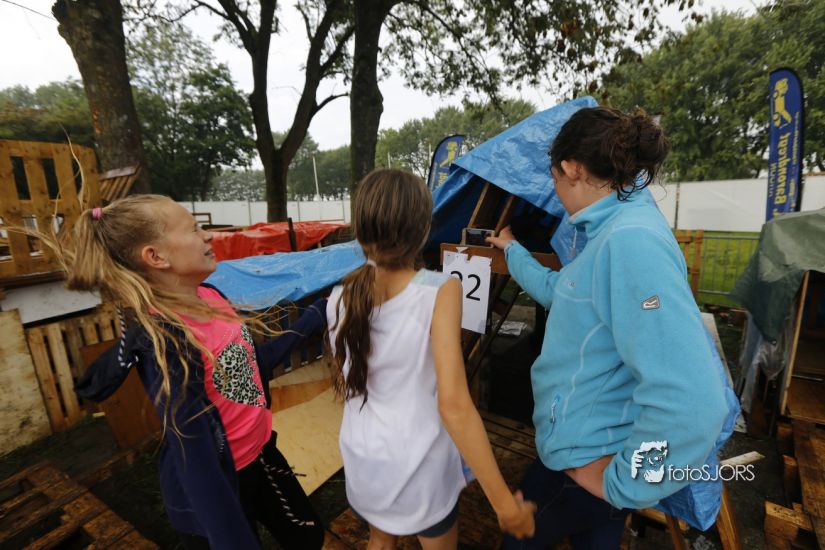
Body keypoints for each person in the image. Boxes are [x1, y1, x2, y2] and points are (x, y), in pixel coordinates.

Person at [487, 107, 729, 549]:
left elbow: (695, 403)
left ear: (572, 169)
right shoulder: (613, 232)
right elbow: (561, 291)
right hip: (597, 452)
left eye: (554, 179)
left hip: (583, 465)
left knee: (515, 539)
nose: (556, 191)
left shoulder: (629, 242)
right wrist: (512, 249)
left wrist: (625, 482)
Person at [67, 195, 326, 549]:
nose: (209, 235)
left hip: (261, 455)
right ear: (156, 256)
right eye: (194, 229)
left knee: (309, 536)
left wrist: (317, 314)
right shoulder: (168, 341)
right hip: (217, 486)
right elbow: (196, 458)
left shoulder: (211, 296)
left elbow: (247, 369)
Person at [327, 169, 536, 550]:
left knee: (379, 540)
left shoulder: (339, 297)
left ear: (360, 231)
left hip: (363, 453)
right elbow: (454, 405)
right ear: (424, 229)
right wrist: (504, 504)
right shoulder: (440, 290)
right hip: (418, 461)